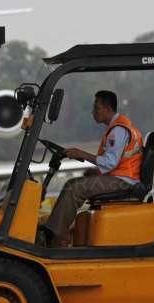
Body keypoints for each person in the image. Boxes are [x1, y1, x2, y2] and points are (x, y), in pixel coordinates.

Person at [42, 90, 143, 247]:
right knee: (77, 182)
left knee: (74, 187)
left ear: (108, 109)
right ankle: (57, 232)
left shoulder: (118, 130)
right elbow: (115, 162)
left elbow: (110, 162)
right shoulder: (118, 127)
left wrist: (81, 153)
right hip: (122, 177)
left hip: (123, 181)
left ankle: (55, 237)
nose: (93, 112)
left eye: (96, 108)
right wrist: (91, 166)